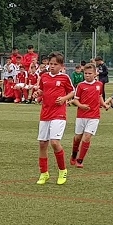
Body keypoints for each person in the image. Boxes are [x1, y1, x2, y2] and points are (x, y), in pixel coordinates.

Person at [35, 52, 75, 185]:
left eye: (55, 64)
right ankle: (44, 173)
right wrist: (38, 93)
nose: (52, 66)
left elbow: (72, 92)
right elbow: (42, 91)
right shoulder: (44, 76)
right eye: (50, 63)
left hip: (59, 114)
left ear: (61, 66)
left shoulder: (64, 78)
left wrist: (64, 98)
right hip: (45, 113)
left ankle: (62, 171)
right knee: (42, 144)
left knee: (54, 143)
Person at [69, 63, 108, 168]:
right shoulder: (81, 85)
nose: (87, 75)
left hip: (94, 116)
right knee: (78, 138)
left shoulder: (99, 84)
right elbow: (75, 100)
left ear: (95, 74)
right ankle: (74, 154)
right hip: (81, 115)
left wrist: (104, 104)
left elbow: (99, 96)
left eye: (90, 73)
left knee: (86, 137)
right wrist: (81, 106)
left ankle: (80, 160)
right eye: (85, 73)